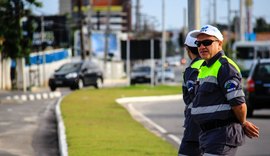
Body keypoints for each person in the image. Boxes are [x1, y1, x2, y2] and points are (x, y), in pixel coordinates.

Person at [190, 25, 259, 155]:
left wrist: (243, 122)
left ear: (220, 44)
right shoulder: (205, 67)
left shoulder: (225, 67)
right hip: (207, 135)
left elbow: (238, 104)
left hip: (221, 134)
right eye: (198, 43)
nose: (201, 47)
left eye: (207, 42)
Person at [178, 30, 204, 156]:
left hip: (195, 128)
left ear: (187, 49)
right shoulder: (211, 65)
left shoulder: (192, 70)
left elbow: (193, 98)